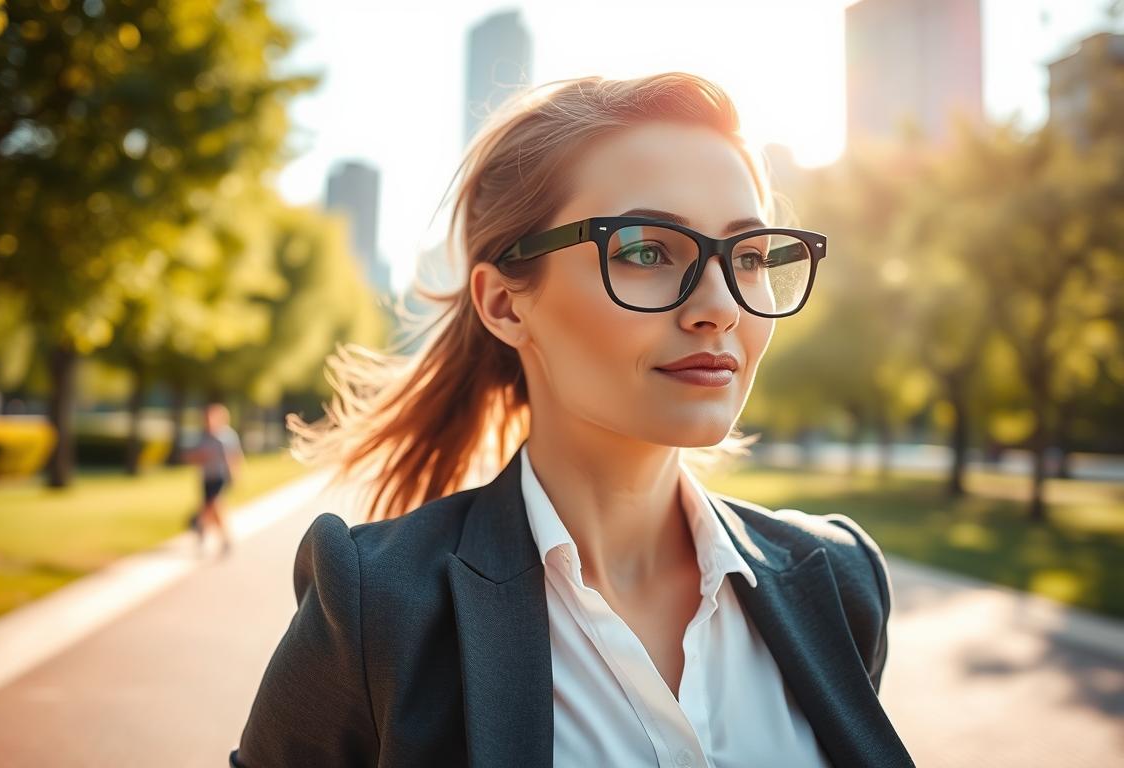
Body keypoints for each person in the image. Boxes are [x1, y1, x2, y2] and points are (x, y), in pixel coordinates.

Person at [230, 73, 914, 767]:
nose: (721, 306)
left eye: (748, 257)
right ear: (504, 304)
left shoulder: (839, 580)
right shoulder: (376, 612)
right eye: (646, 250)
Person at [185, 402, 244, 558]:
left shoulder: (227, 436)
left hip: (221, 476)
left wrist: (236, 475)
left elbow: (235, 456)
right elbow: (191, 456)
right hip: (206, 476)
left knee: (214, 505)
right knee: (213, 509)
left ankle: (200, 525)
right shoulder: (202, 436)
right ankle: (222, 538)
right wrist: (200, 456)